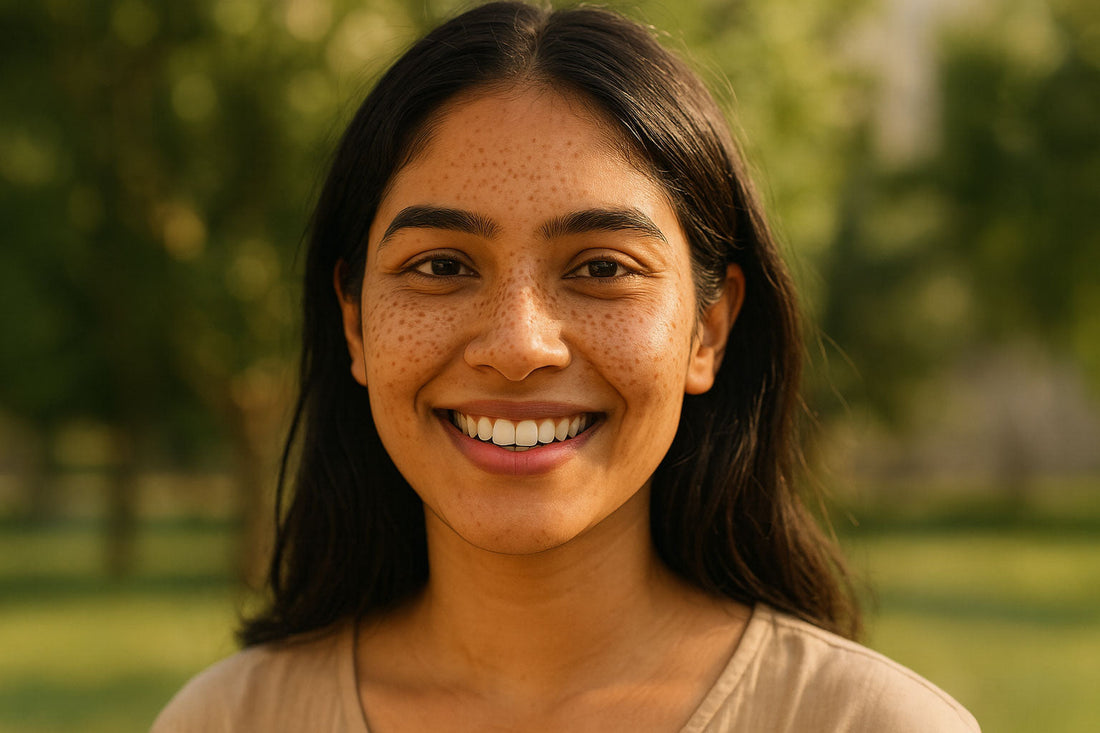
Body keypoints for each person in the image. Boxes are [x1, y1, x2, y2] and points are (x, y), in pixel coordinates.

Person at [153, 2, 979, 731]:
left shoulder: (871, 725)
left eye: (603, 267)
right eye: (441, 265)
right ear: (355, 323)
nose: (518, 346)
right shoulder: (227, 721)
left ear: (710, 329)